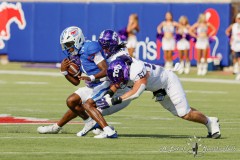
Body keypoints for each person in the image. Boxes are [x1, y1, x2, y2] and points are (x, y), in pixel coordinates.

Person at [37, 29, 132, 138]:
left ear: (78, 40)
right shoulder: (75, 54)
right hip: (94, 86)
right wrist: (64, 72)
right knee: (72, 101)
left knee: (88, 107)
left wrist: (91, 77)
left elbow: (105, 70)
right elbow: (76, 82)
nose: (67, 48)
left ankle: (105, 129)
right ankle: (91, 123)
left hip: (111, 87)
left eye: (69, 44)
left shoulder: (90, 48)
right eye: (65, 45)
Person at [96, 56, 221, 139]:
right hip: (157, 90)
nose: (120, 82)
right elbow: (116, 83)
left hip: (168, 81)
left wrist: (112, 101)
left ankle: (210, 122)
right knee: (180, 113)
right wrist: (107, 95)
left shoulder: (137, 69)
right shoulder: (123, 69)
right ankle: (209, 121)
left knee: (184, 112)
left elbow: (136, 93)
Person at [225, 13, 240, 80]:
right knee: (235, 57)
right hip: (235, 44)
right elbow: (227, 31)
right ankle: (236, 68)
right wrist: (230, 38)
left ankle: (238, 72)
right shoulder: (233, 26)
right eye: (238, 19)